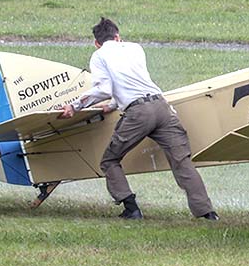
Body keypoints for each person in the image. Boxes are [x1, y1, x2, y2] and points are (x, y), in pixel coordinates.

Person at [60, 17, 218, 221]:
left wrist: (74, 106)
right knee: (182, 162)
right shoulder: (135, 48)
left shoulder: (99, 55)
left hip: (138, 113)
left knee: (109, 160)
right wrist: (114, 104)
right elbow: (132, 81)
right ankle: (207, 213)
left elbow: (103, 89)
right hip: (162, 107)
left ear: (96, 43)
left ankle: (131, 208)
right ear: (118, 37)